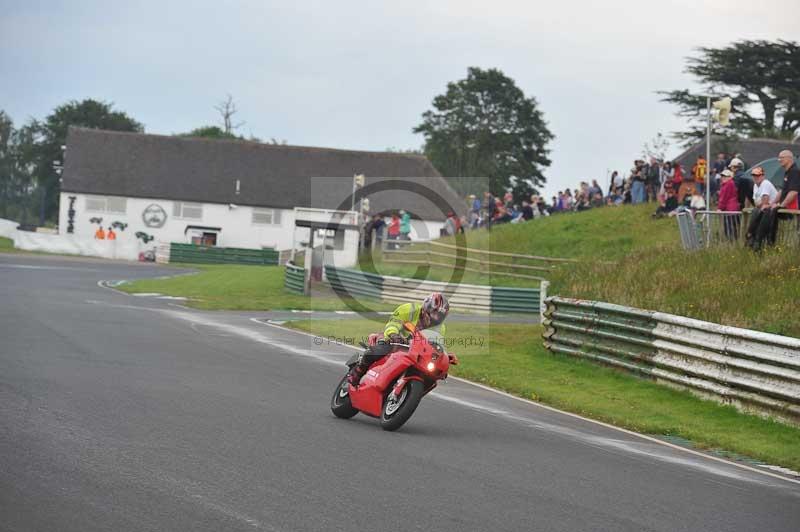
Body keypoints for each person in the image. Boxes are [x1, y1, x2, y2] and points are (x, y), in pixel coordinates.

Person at [346, 292, 450, 386]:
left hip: (415, 352)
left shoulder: (441, 328)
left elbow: (435, 344)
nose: (436, 318)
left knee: (429, 375)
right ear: (426, 308)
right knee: (378, 351)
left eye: (440, 316)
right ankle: (358, 372)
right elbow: (394, 322)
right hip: (395, 341)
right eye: (434, 313)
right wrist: (394, 335)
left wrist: (443, 358)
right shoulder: (409, 309)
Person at [745, 166, 779, 250]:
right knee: (756, 212)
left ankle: (755, 240)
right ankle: (753, 240)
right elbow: (756, 203)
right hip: (764, 211)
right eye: (754, 175)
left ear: (763, 176)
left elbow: (765, 201)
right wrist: (761, 203)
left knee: (759, 213)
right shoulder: (755, 186)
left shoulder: (766, 183)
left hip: (773, 211)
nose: (755, 177)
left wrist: (761, 203)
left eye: (758, 175)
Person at [717, 169, 741, 241]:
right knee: (733, 228)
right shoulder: (731, 183)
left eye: (725, 176)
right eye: (722, 176)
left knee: (729, 229)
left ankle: (731, 244)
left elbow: (724, 198)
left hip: (729, 210)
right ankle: (734, 244)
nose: (723, 177)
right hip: (733, 209)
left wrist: (719, 208)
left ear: (730, 177)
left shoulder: (727, 185)